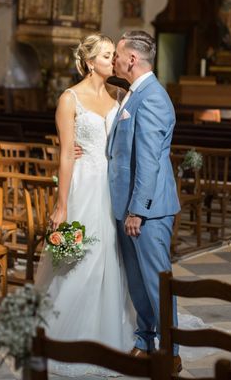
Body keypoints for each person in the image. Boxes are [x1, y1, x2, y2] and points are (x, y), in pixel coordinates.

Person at [34, 33, 135, 377]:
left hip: (114, 187)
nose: (114, 61)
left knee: (113, 255)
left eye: (113, 55)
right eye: (107, 56)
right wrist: (61, 205)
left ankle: (111, 330)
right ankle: (66, 336)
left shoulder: (121, 95)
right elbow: (65, 154)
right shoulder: (69, 98)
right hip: (85, 186)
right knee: (83, 256)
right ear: (90, 62)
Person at [107, 30, 182, 373]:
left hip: (148, 210)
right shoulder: (134, 93)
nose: (115, 60)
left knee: (156, 282)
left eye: (118, 54)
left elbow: (149, 160)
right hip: (131, 207)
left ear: (132, 59)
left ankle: (171, 352)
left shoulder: (151, 96)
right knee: (138, 282)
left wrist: (137, 209)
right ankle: (144, 340)